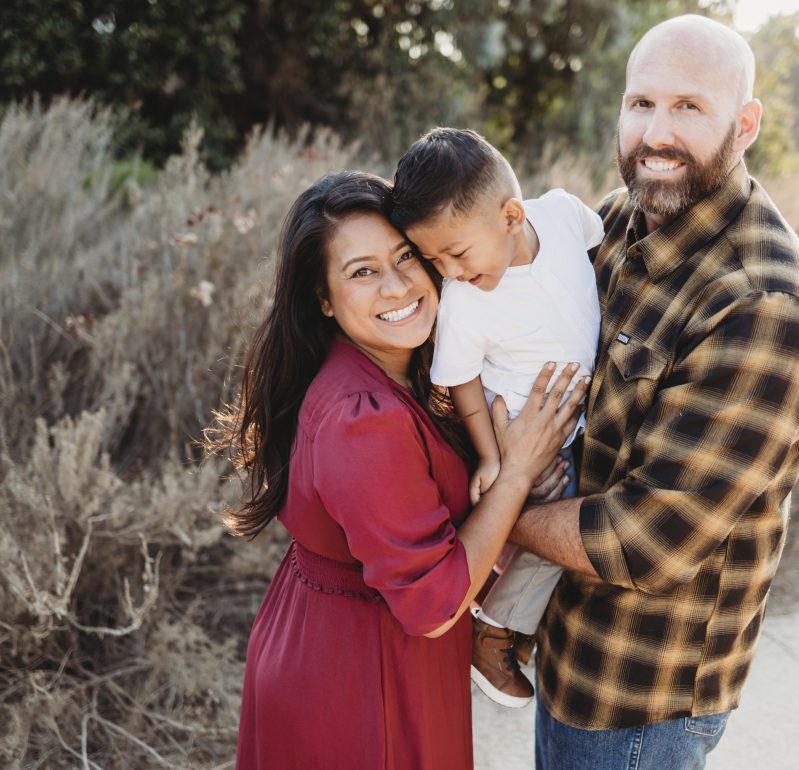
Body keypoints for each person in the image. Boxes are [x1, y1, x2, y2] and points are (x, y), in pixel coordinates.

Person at [504, 15, 799, 769]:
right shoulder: (620, 217)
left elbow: (644, 540)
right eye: (641, 105)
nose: (656, 134)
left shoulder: (768, 307)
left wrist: (493, 505)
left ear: (745, 122)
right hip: (564, 648)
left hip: (642, 699)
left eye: (689, 107)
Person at [212, 170, 587, 769]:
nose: (397, 286)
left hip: (327, 636)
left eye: (407, 256)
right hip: (365, 673)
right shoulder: (364, 419)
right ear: (323, 298)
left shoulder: (398, 368)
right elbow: (432, 604)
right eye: (362, 271)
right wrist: (515, 475)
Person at [388, 127, 604, 708]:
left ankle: (521, 617)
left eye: (456, 253)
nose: (449, 271)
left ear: (512, 215)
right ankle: (496, 631)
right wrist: (491, 453)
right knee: (558, 505)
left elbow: (599, 238)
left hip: (574, 419)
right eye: (434, 260)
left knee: (590, 504)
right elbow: (457, 378)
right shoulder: (467, 302)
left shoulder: (560, 215)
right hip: (522, 434)